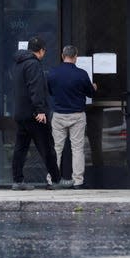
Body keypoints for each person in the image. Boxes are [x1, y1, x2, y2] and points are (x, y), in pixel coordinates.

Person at [10, 36, 72, 190]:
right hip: (34, 114)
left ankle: (18, 181)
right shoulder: (33, 64)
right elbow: (35, 88)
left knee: (20, 148)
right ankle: (57, 180)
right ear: (41, 50)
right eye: (45, 50)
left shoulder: (19, 64)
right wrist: (40, 110)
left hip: (21, 113)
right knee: (47, 147)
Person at [47, 45, 96, 189]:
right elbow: (90, 94)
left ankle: (52, 180)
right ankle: (78, 181)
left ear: (63, 56)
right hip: (77, 115)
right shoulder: (81, 74)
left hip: (59, 115)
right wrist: (93, 87)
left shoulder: (53, 73)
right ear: (76, 57)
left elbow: (50, 91)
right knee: (77, 148)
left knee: (56, 148)